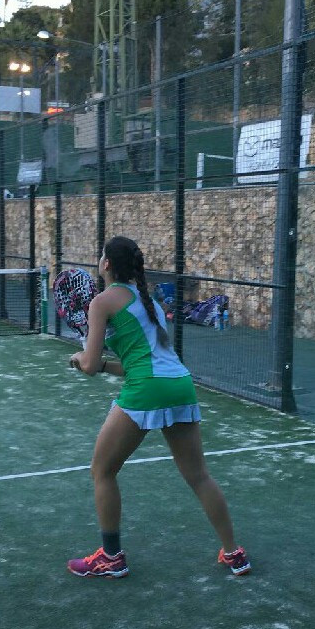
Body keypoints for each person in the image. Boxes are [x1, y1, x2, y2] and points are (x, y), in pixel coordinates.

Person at [67, 236, 251, 579]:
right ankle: (234, 554)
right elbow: (141, 363)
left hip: (147, 389)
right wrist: (103, 364)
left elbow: (89, 365)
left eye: (101, 256)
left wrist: (81, 358)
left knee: (102, 471)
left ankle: (111, 558)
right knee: (199, 476)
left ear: (107, 264)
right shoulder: (147, 300)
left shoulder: (101, 302)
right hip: (180, 385)